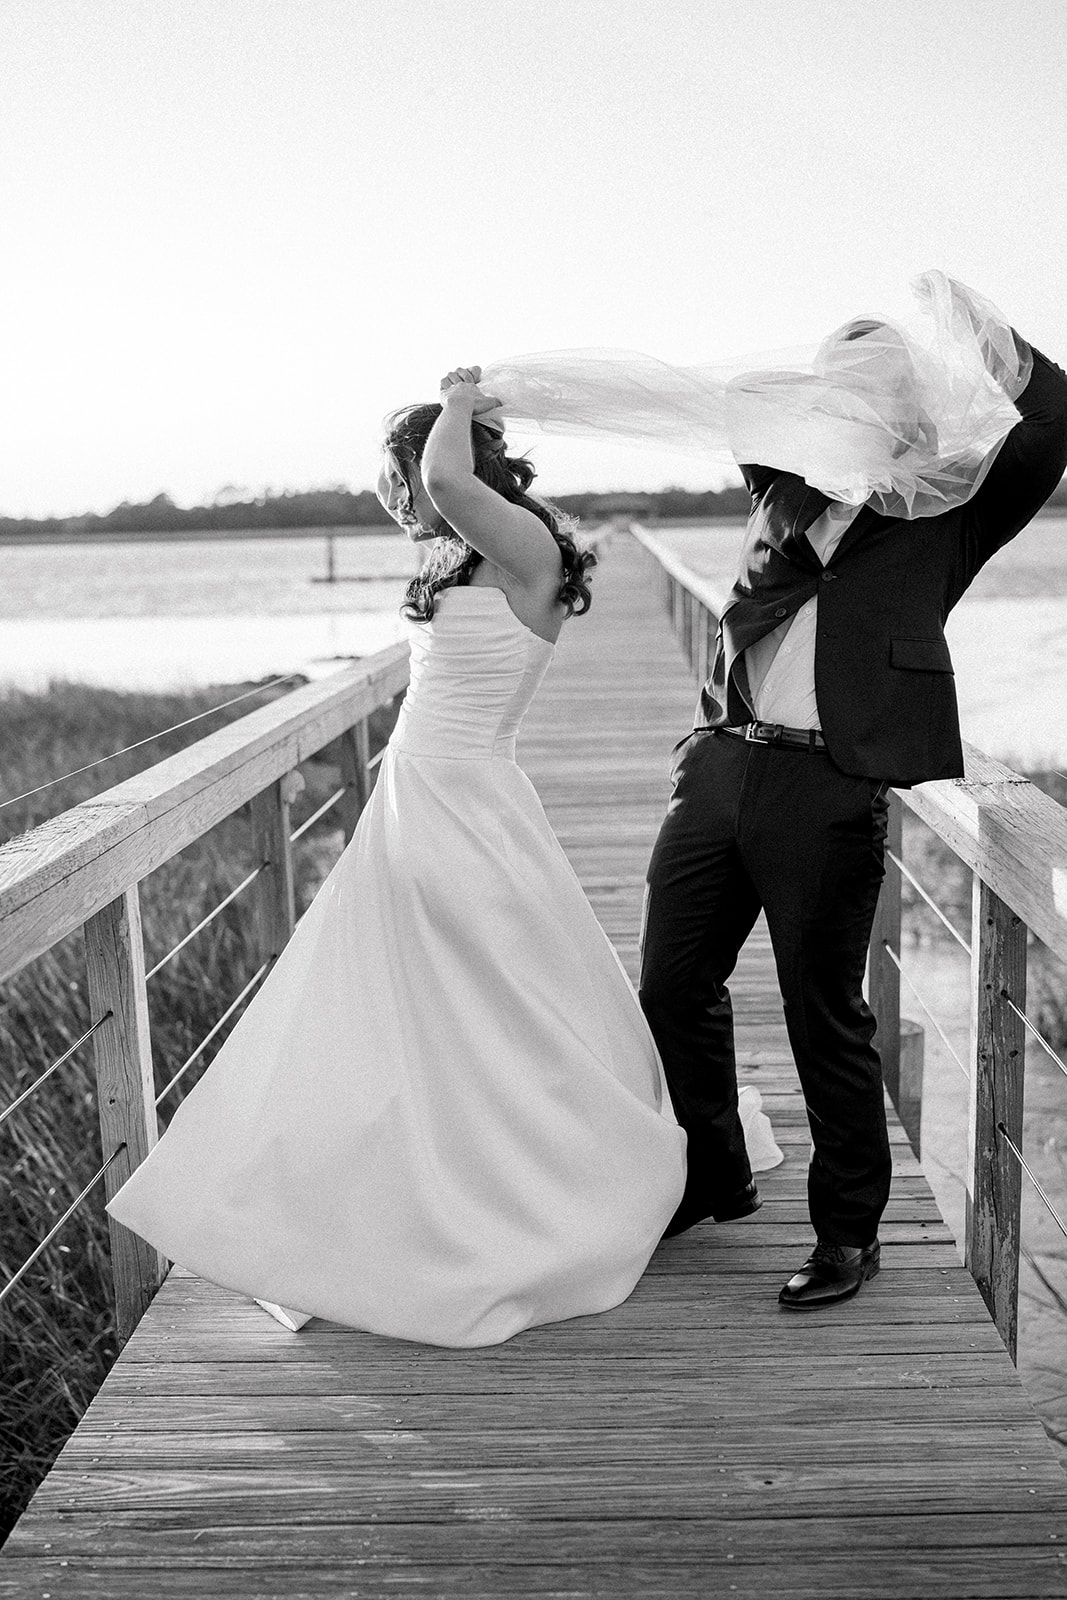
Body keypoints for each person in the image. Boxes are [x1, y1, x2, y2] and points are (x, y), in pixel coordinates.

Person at [106, 365, 781, 1349]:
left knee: (490, 996)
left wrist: (456, 403)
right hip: (409, 799)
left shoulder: (523, 541)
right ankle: (408, 1185)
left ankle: (528, 1190)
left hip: (464, 801)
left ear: (449, 463)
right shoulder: (456, 555)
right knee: (409, 1009)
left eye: (396, 475)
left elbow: (452, 485)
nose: (391, 496)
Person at [635, 292, 1067, 1308]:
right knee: (669, 982)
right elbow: (741, 395)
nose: (853, 402)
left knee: (820, 1010)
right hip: (717, 765)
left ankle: (845, 1233)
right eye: (843, 386)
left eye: (875, 388)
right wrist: (835, 386)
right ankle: (715, 1170)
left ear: (908, 411)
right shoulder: (778, 482)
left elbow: (1050, 421)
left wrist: (968, 326)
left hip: (828, 784)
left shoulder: (948, 514)